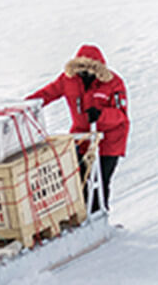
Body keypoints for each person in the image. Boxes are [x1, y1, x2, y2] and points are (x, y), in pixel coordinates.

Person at [26, 44, 130, 215]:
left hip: (110, 139)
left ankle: (99, 213)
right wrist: (26, 106)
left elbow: (121, 116)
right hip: (82, 135)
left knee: (101, 179)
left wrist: (100, 114)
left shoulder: (113, 83)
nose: (84, 74)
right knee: (77, 177)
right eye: (80, 69)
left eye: (90, 69)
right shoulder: (68, 80)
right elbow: (47, 94)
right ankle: (81, 213)